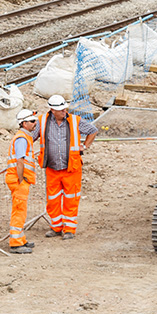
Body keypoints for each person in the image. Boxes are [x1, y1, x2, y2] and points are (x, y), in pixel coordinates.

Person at [37, 95, 97, 240]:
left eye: (64, 108)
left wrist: (85, 146)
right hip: (52, 168)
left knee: (71, 199)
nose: (64, 111)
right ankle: (56, 227)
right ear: (52, 110)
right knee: (53, 199)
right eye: (60, 109)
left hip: (71, 167)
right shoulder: (43, 121)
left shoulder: (75, 121)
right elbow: (29, 136)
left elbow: (93, 130)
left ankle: (69, 229)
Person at [5, 109, 39, 253]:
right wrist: (20, 179)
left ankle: (21, 238)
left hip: (21, 179)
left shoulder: (24, 137)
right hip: (19, 180)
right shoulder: (21, 139)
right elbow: (20, 160)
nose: (35, 123)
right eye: (32, 121)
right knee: (19, 211)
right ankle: (16, 242)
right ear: (24, 123)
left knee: (21, 211)